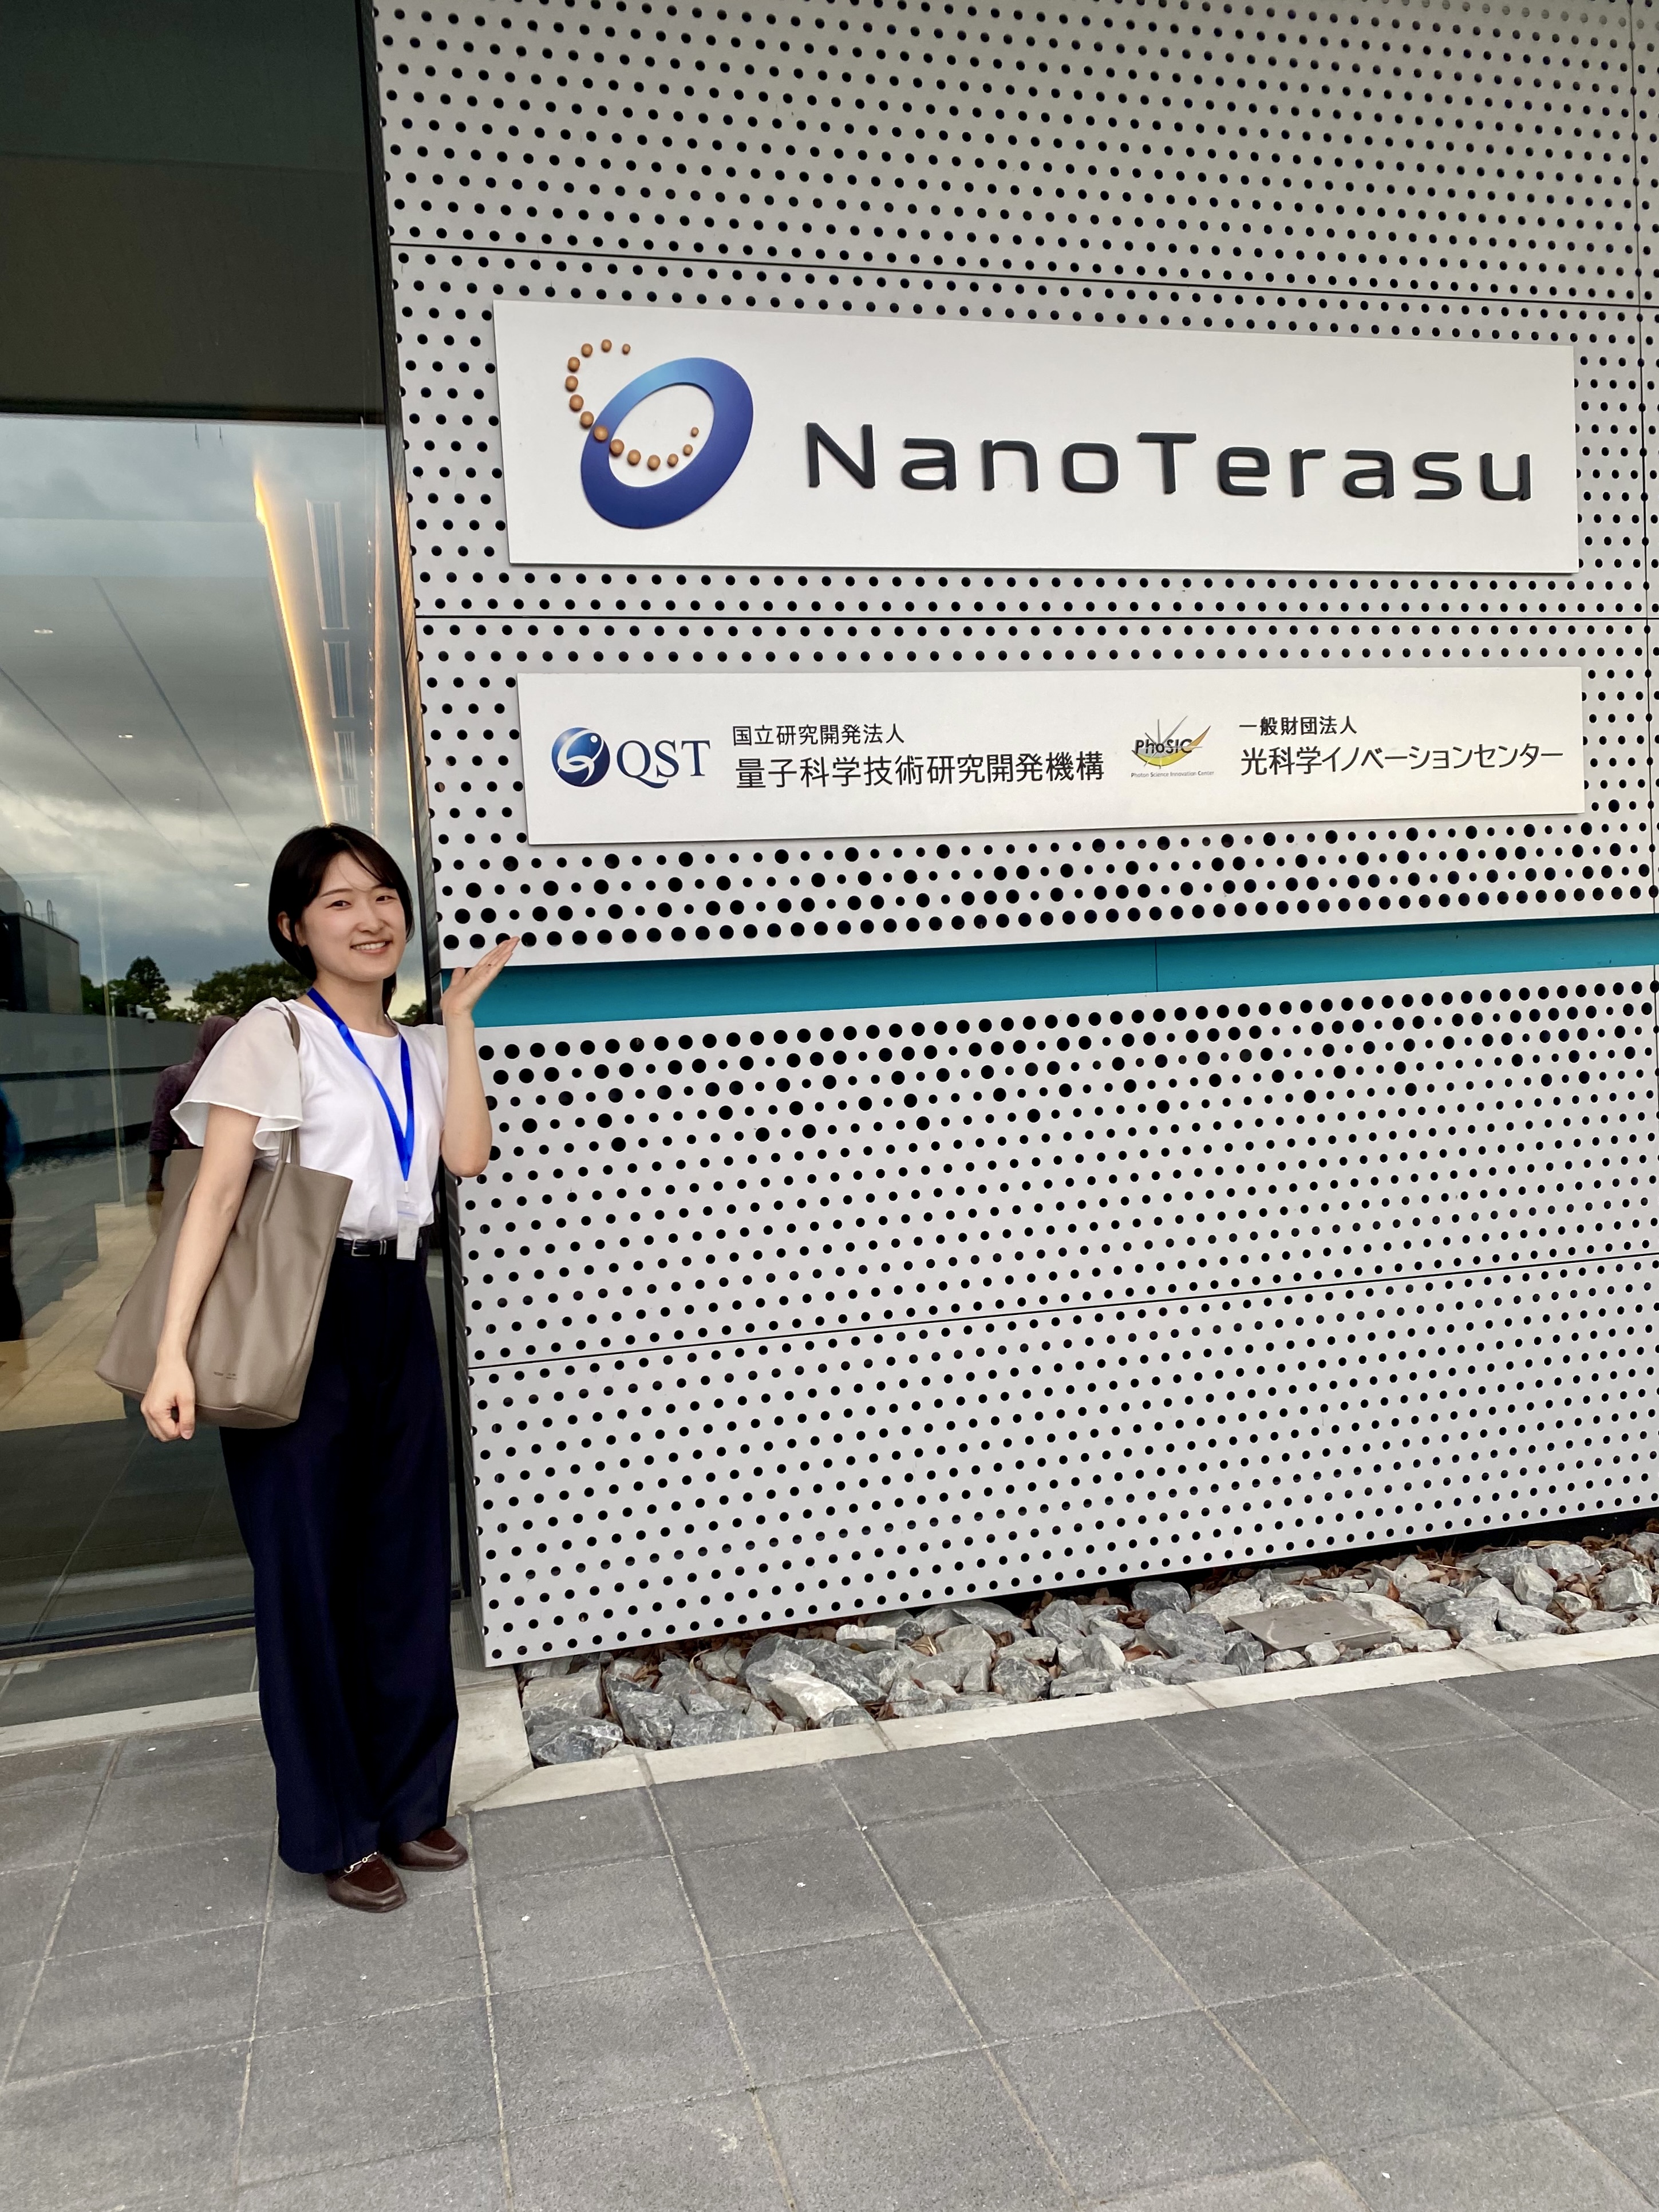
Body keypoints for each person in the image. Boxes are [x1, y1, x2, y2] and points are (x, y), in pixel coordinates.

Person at [139, 825, 516, 1913]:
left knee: (405, 1560)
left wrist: (457, 1022)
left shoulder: (419, 1047)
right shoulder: (278, 1032)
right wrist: (171, 1351)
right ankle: (335, 1826)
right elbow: (215, 1196)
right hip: (301, 1307)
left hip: (398, 1302)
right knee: (305, 1572)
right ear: (292, 926)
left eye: (383, 894)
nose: (371, 916)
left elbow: (465, 1157)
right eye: (340, 900)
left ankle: (408, 1799)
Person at [147, 1014, 237, 1200]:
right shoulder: (178, 1078)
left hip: (215, 1167)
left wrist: (155, 1180)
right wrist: (155, 1181)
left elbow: (161, 1131)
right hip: (217, 1167)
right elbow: (161, 1131)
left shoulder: (178, 1077)